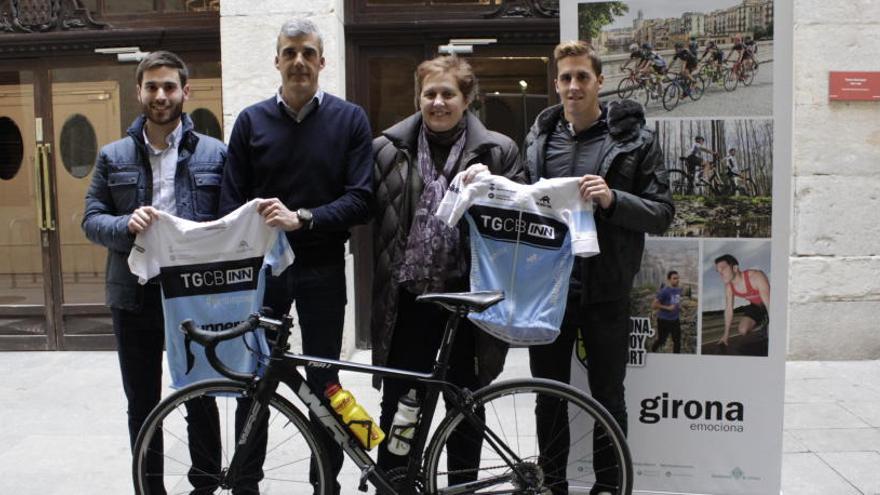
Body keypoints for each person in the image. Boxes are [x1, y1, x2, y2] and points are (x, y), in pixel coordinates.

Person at [218, 18, 373, 495]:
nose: (299, 61)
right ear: (277, 61)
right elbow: (230, 201)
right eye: (290, 52)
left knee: (326, 381)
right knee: (256, 379)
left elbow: (362, 199)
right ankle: (246, 483)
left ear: (323, 61)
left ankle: (325, 483)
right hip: (266, 274)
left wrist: (302, 218)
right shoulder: (250, 121)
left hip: (324, 268)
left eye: (308, 52)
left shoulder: (350, 120)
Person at [523, 40, 674, 495]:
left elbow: (663, 212)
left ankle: (609, 487)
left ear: (599, 82)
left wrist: (612, 199)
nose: (573, 86)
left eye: (582, 77)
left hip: (606, 291)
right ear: (556, 83)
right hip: (548, 292)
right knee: (548, 399)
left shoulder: (634, 140)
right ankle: (554, 485)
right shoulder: (538, 139)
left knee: (608, 397)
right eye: (565, 78)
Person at [371, 55, 523, 488]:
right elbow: (364, 209)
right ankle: (397, 481)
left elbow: (521, 219)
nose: (438, 102)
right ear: (418, 97)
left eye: (448, 94)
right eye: (430, 93)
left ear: (468, 99)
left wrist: (493, 186)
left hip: (467, 301)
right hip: (409, 301)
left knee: (465, 405)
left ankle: (461, 485)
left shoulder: (498, 150)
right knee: (400, 405)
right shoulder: (387, 149)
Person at [82, 51, 227, 495]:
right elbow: (90, 219)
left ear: (186, 92)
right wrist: (124, 225)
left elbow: (229, 221)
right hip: (135, 293)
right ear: (139, 92)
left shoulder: (216, 154)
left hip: (194, 294)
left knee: (200, 395)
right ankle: (150, 488)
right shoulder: (113, 156)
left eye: (169, 87)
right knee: (142, 402)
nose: (160, 95)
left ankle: (204, 485)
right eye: (152, 87)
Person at [714, 254, 770, 346]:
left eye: (723, 268)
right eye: (718, 271)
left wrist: (772, 324)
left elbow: (769, 303)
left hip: (771, 303)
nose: (721, 273)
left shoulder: (756, 276)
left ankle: (767, 322)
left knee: (771, 333)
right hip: (756, 306)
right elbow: (728, 310)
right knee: (742, 330)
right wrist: (725, 335)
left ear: (735, 268)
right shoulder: (729, 287)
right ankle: (763, 322)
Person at [651, 271, 683, 353]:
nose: (677, 280)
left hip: (675, 320)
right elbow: (653, 305)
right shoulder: (664, 291)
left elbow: (675, 301)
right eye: (674, 278)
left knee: (677, 341)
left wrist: (678, 307)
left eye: (678, 278)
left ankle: (676, 360)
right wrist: (667, 308)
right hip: (663, 320)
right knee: (661, 340)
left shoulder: (679, 289)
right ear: (669, 280)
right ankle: (652, 352)